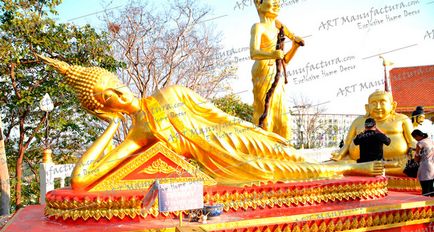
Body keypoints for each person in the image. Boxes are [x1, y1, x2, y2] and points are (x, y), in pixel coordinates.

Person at [37, 54, 383, 191]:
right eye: (107, 97)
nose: (117, 93)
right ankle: (350, 171)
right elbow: (82, 180)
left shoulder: (171, 93)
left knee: (290, 154)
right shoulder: (139, 134)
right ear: (103, 105)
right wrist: (111, 126)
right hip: (224, 164)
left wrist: (253, 128)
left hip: (234, 136)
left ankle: (371, 169)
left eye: (115, 84)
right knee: (285, 172)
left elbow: (218, 114)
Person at [250, 0, 304, 140]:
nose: (276, 4)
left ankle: (283, 146)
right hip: (263, 72)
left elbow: (284, 60)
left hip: (277, 75)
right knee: (264, 111)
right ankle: (263, 145)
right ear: (258, 4)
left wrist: (294, 47)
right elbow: (253, 53)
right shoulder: (258, 27)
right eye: (272, 0)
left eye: (278, 2)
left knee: (282, 115)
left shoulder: (278, 31)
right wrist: (271, 54)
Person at [332, 90, 415, 175]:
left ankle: (381, 171)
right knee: (331, 166)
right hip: (358, 162)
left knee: (413, 167)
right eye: (374, 104)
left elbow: (412, 141)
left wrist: (414, 152)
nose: (378, 107)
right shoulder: (358, 121)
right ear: (367, 107)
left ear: (392, 105)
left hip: (396, 163)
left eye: (382, 103)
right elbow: (347, 144)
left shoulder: (402, 120)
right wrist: (340, 154)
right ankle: (362, 169)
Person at [411, 129, 434, 196]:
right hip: (432, 164)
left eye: (415, 138)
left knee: (425, 185)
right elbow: (427, 150)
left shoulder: (420, 143)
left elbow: (417, 156)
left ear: (417, 136)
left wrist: (414, 162)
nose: (415, 139)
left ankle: (425, 200)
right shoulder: (430, 140)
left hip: (425, 165)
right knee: (431, 185)